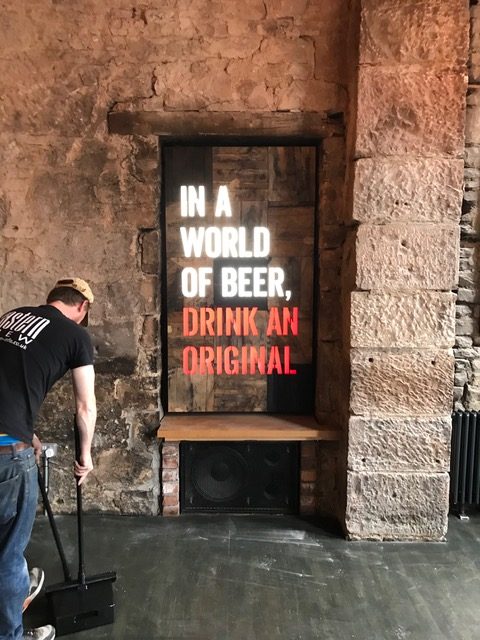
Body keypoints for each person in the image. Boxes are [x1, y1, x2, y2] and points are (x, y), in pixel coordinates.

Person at [0, 278, 97, 640]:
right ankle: (10, 631)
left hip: (12, 438)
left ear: (50, 299)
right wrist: (84, 457)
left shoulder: (10, 317)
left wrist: (30, 435)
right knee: (8, 555)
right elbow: (85, 408)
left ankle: (16, 592)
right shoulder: (75, 335)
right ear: (82, 309)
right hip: (7, 455)